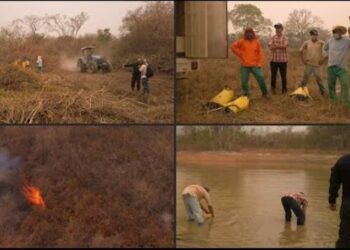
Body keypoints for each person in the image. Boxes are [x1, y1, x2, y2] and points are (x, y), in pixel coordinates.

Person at [231, 27, 269, 99]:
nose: (249, 34)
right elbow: (233, 47)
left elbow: (260, 53)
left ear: (253, 33)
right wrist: (240, 53)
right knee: (244, 81)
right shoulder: (241, 41)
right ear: (246, 34)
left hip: (255, 65)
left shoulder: (256, 42)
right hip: (244, 66)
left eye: (250, 33)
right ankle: (246, 95)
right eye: (248, 33)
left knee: (261, 78)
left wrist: (259, 63)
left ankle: (265, 94)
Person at [323, 25, 350, 106]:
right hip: (331, 67)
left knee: (345, 84)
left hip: (342, 68)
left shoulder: (347, 41)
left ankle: (345, 103)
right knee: (331, 85)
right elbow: (324, 48)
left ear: (341, 33)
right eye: (334, 32)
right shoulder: (330, 41)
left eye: (338, 32)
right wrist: (326, 55)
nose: (336, 33)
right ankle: (334, 101)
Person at [328, 154, 350, 248]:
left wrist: (332, 200)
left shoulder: (343, 160)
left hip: (348, 203)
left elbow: (334, 182)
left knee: (344, 238)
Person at [299, 29, 326, 96]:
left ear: (317, 35)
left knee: (319, 79)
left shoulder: (322, 43)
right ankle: (301, 92)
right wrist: (303, 60)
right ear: (310, 35)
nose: (314, 36)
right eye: (312, 35)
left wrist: (323, 60)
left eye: (315, 35)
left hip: (317, 65)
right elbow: (300, 51)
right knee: (305, 79)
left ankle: (323, 92)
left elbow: (326, 52)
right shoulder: (307, 42)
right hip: (308, 64)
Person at [268, 23, 288, 95]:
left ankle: (284, 90)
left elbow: (285, 46)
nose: (277, 30)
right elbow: (270, 47)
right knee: (273, 75)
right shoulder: (272, 37)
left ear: (282, 29)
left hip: (283, 60)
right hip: (274, 60)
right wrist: (279, 46)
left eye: (279, 28)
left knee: (283, 76)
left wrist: (275, 46)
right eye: (276, 28)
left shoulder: (285, 37)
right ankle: (273, 89)